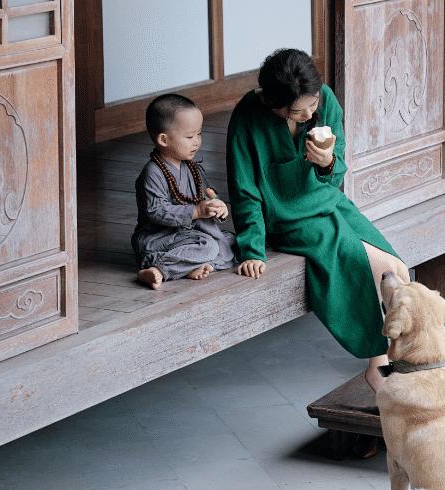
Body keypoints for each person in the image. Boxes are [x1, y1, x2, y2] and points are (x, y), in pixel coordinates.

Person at [226, 48, 410, 409]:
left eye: (313, 104)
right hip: (287, 219)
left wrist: (327, 163)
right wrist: (252, 248)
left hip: (328, 202)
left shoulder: (323, 100)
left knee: (396, 268)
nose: (311, 113)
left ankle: (391, 361)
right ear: (273, 103)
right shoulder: (248, 116)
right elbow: (244, 188)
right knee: (362, 264)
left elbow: (337, 170)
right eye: (300, 111)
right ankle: (380, 365)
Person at [132, 94, 236, 290]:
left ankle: (191, 266)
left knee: (231, 241)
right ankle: (159, 269)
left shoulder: (192, 168)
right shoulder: (153, 172)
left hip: (189, 234)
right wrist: (195, 212)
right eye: (189, 136)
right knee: (209, 246)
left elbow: (206, 195)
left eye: (199, 133)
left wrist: (216, 205)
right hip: (159, 237)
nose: (196, 141)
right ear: (164, 139)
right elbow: (155, 211)